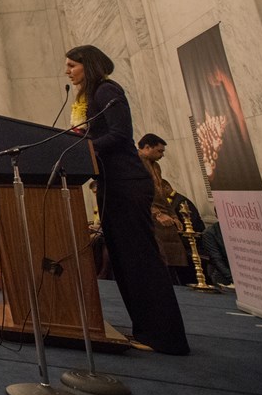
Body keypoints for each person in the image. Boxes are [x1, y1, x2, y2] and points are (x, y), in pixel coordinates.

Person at [65, 44, 189, 354]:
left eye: (72, 65)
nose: (67, 71)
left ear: (88, 65)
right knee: (123, 260)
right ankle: (146, 330)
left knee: (140, 259)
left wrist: (83, 149)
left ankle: (166, 336)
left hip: (127, 182)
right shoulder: (90, 96)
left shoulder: (107, 90)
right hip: (111, 182)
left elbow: (120, 135)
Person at [136, 133, 188, 273]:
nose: (162, 155)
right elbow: (137, 193)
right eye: (160, 151)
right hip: (147, 214)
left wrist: (174, 215)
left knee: (173, 256)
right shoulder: (135, 162)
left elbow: (162, 194)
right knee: (157, 256)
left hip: (164, 214)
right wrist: (157, 214)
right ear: (147, 147)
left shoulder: (156, 166)